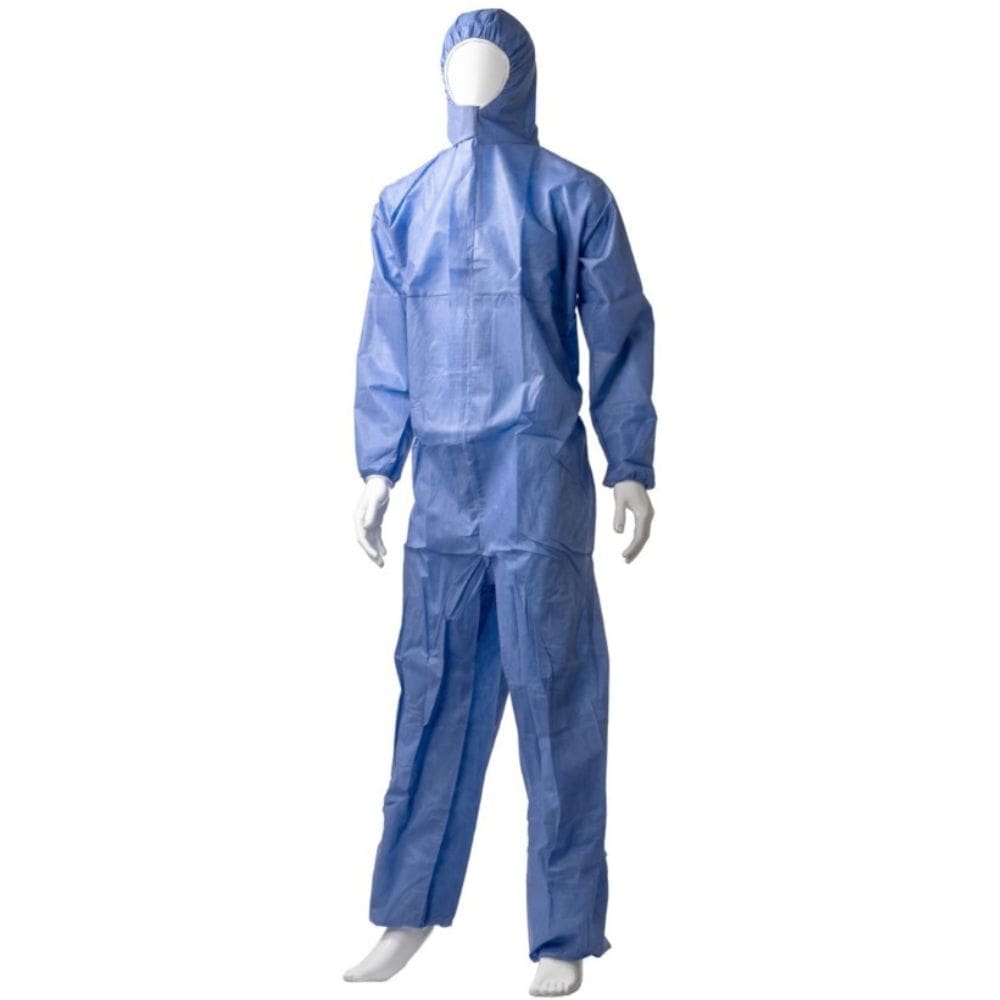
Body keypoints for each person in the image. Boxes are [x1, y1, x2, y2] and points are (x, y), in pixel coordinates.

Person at [346, 9, 657, 997]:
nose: (473, 78)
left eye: (488, 62)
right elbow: (387, 345)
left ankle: (562, 931)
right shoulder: (402, 203)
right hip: (441, 488)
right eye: (460, 62)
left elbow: (618, 333)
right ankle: (405, 910)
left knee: (556, 699)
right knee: (430, 690)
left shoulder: (574, 197)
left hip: (536, 479)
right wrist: (377, 467)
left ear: (519, 74)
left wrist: (630, 462)